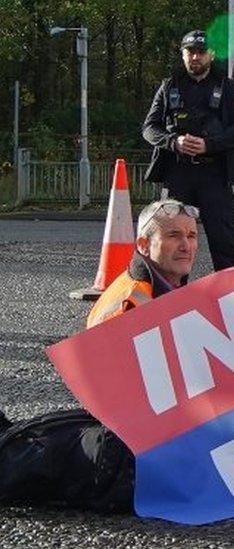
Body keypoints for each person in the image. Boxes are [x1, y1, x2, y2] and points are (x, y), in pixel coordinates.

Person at [0, 200, 200, 512]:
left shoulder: (161, 287)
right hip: (123, 433)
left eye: (191, 236)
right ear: (144, 245)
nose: (186, 245)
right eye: (174, 235)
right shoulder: (132, 303)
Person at [143, 30, 234, 271]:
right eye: (190, 52)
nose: (195, 57)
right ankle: (170, 297)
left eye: (201, 52)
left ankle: (230, 298)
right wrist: (174, 142)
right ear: (182, 55)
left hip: (214, 174)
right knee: (170, 241)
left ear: (211, 55)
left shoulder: (226, 87)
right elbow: (149, 128)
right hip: (178, 174)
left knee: (224, 243)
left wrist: (210, 145)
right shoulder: (168, 86)